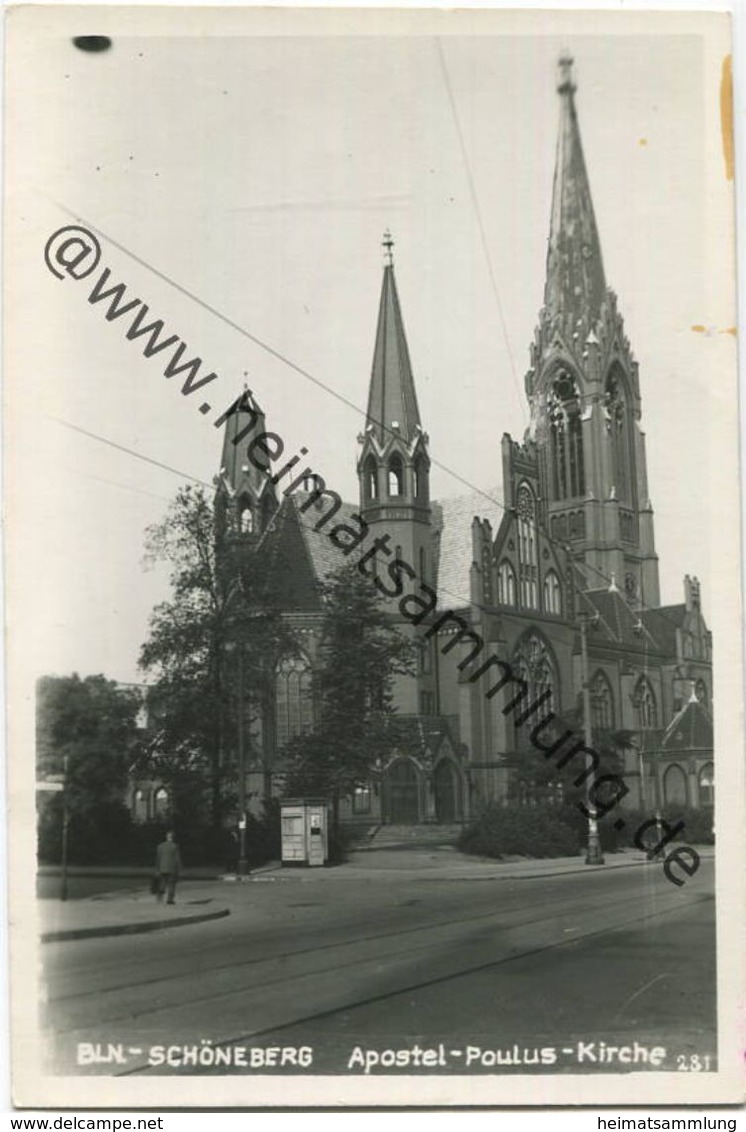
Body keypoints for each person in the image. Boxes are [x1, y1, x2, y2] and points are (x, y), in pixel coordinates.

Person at [154, 830, 182, 905]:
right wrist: (179, 869)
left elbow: (158, 858)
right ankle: (170, 900)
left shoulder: (160, 846)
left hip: (162, 867)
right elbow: (177, 859)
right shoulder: (175, 846)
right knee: (171, 884)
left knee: (162, 883)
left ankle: (159, 897)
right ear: (173, 837)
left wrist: (157, 869)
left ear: (166, 837)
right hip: (172, 868)